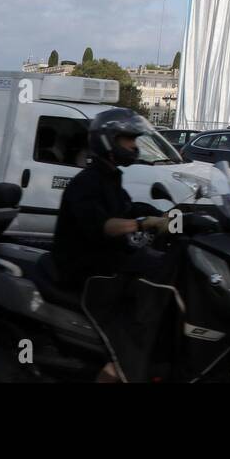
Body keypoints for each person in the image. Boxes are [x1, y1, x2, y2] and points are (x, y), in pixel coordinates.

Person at [51, 107, 173, 382]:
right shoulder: (87, 182)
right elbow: (103, 226)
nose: (133, 145)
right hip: (87, 269)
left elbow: (126, 209)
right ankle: (117, 368)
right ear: (108, 140)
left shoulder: (110, 176)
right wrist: (144, 223)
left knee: (165, 266)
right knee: (144, 307)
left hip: (108, 259)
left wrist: (169, 216)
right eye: (128, 139)